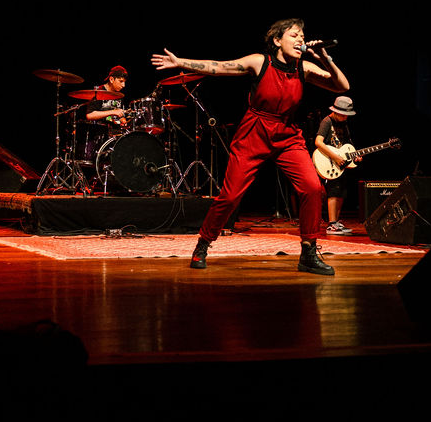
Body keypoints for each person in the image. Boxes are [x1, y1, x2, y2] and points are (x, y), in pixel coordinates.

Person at [151, 19, 349, 275]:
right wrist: (181, 62)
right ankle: (204, 242)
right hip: (254, 131)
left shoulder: (305, 67)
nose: (300, 39)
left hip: (287, 134)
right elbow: (218, 67)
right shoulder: (260, 61)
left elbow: (342, 86)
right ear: (277, 40)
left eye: (302, 35)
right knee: (231, 195)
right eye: (294, 35)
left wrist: (324, 57)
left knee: (312, 187)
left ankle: (308, 252)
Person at [314, 95, 359, 235]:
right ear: (336, 111)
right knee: (334, 191)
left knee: (341, 192)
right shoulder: (327, 122)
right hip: (330, 161)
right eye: (344, 114)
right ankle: (331, 224)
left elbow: (348, 143)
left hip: (341, 164)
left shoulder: (343, 124)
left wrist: (355, 156)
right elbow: (318, 142)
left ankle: (336, 222)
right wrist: (335, 157)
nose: (346, 117)